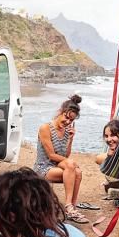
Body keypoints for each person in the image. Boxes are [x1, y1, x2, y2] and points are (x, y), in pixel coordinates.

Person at [32, 94, 88, 223]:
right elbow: (51, 155)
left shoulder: (66, 130)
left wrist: (70, 139)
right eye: (66, 117)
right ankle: (69, 207)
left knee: (77, 171)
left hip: (58, 167)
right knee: (72, 166)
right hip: (43, 168)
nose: (68, 122)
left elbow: (65, 156)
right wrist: (70, 163)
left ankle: (71, 208)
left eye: (71, 121)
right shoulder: (45, 128)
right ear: (60, 112)